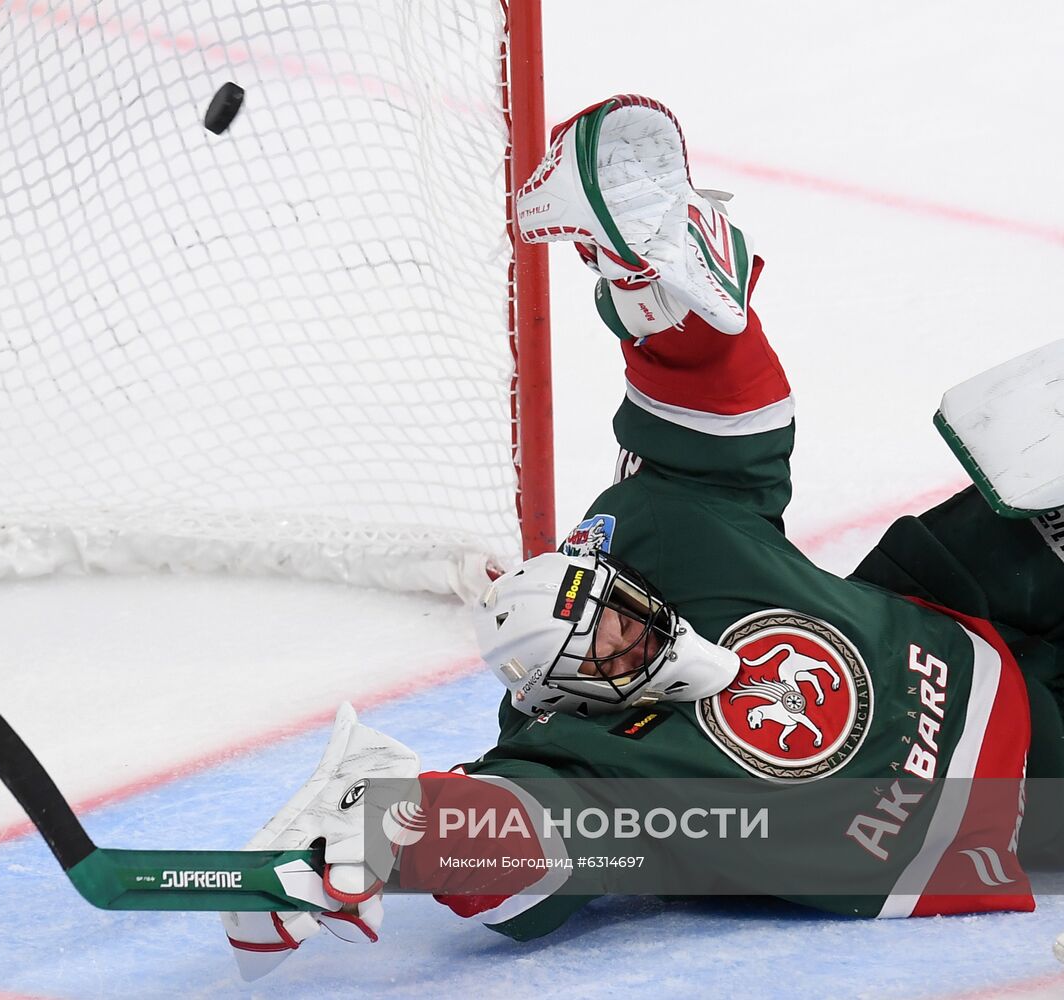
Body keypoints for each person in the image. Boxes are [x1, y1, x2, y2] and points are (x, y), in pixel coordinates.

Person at [219, 94, 1064, 980]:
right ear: (569, 696)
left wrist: (660, 292)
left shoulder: (659, 548)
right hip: (1013, 789)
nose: (634, 634)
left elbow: (717, 439)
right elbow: (524, 832)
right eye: (609, 652)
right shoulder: (587, 765)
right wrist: (401, 828)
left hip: (957, 616)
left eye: (620, 612)